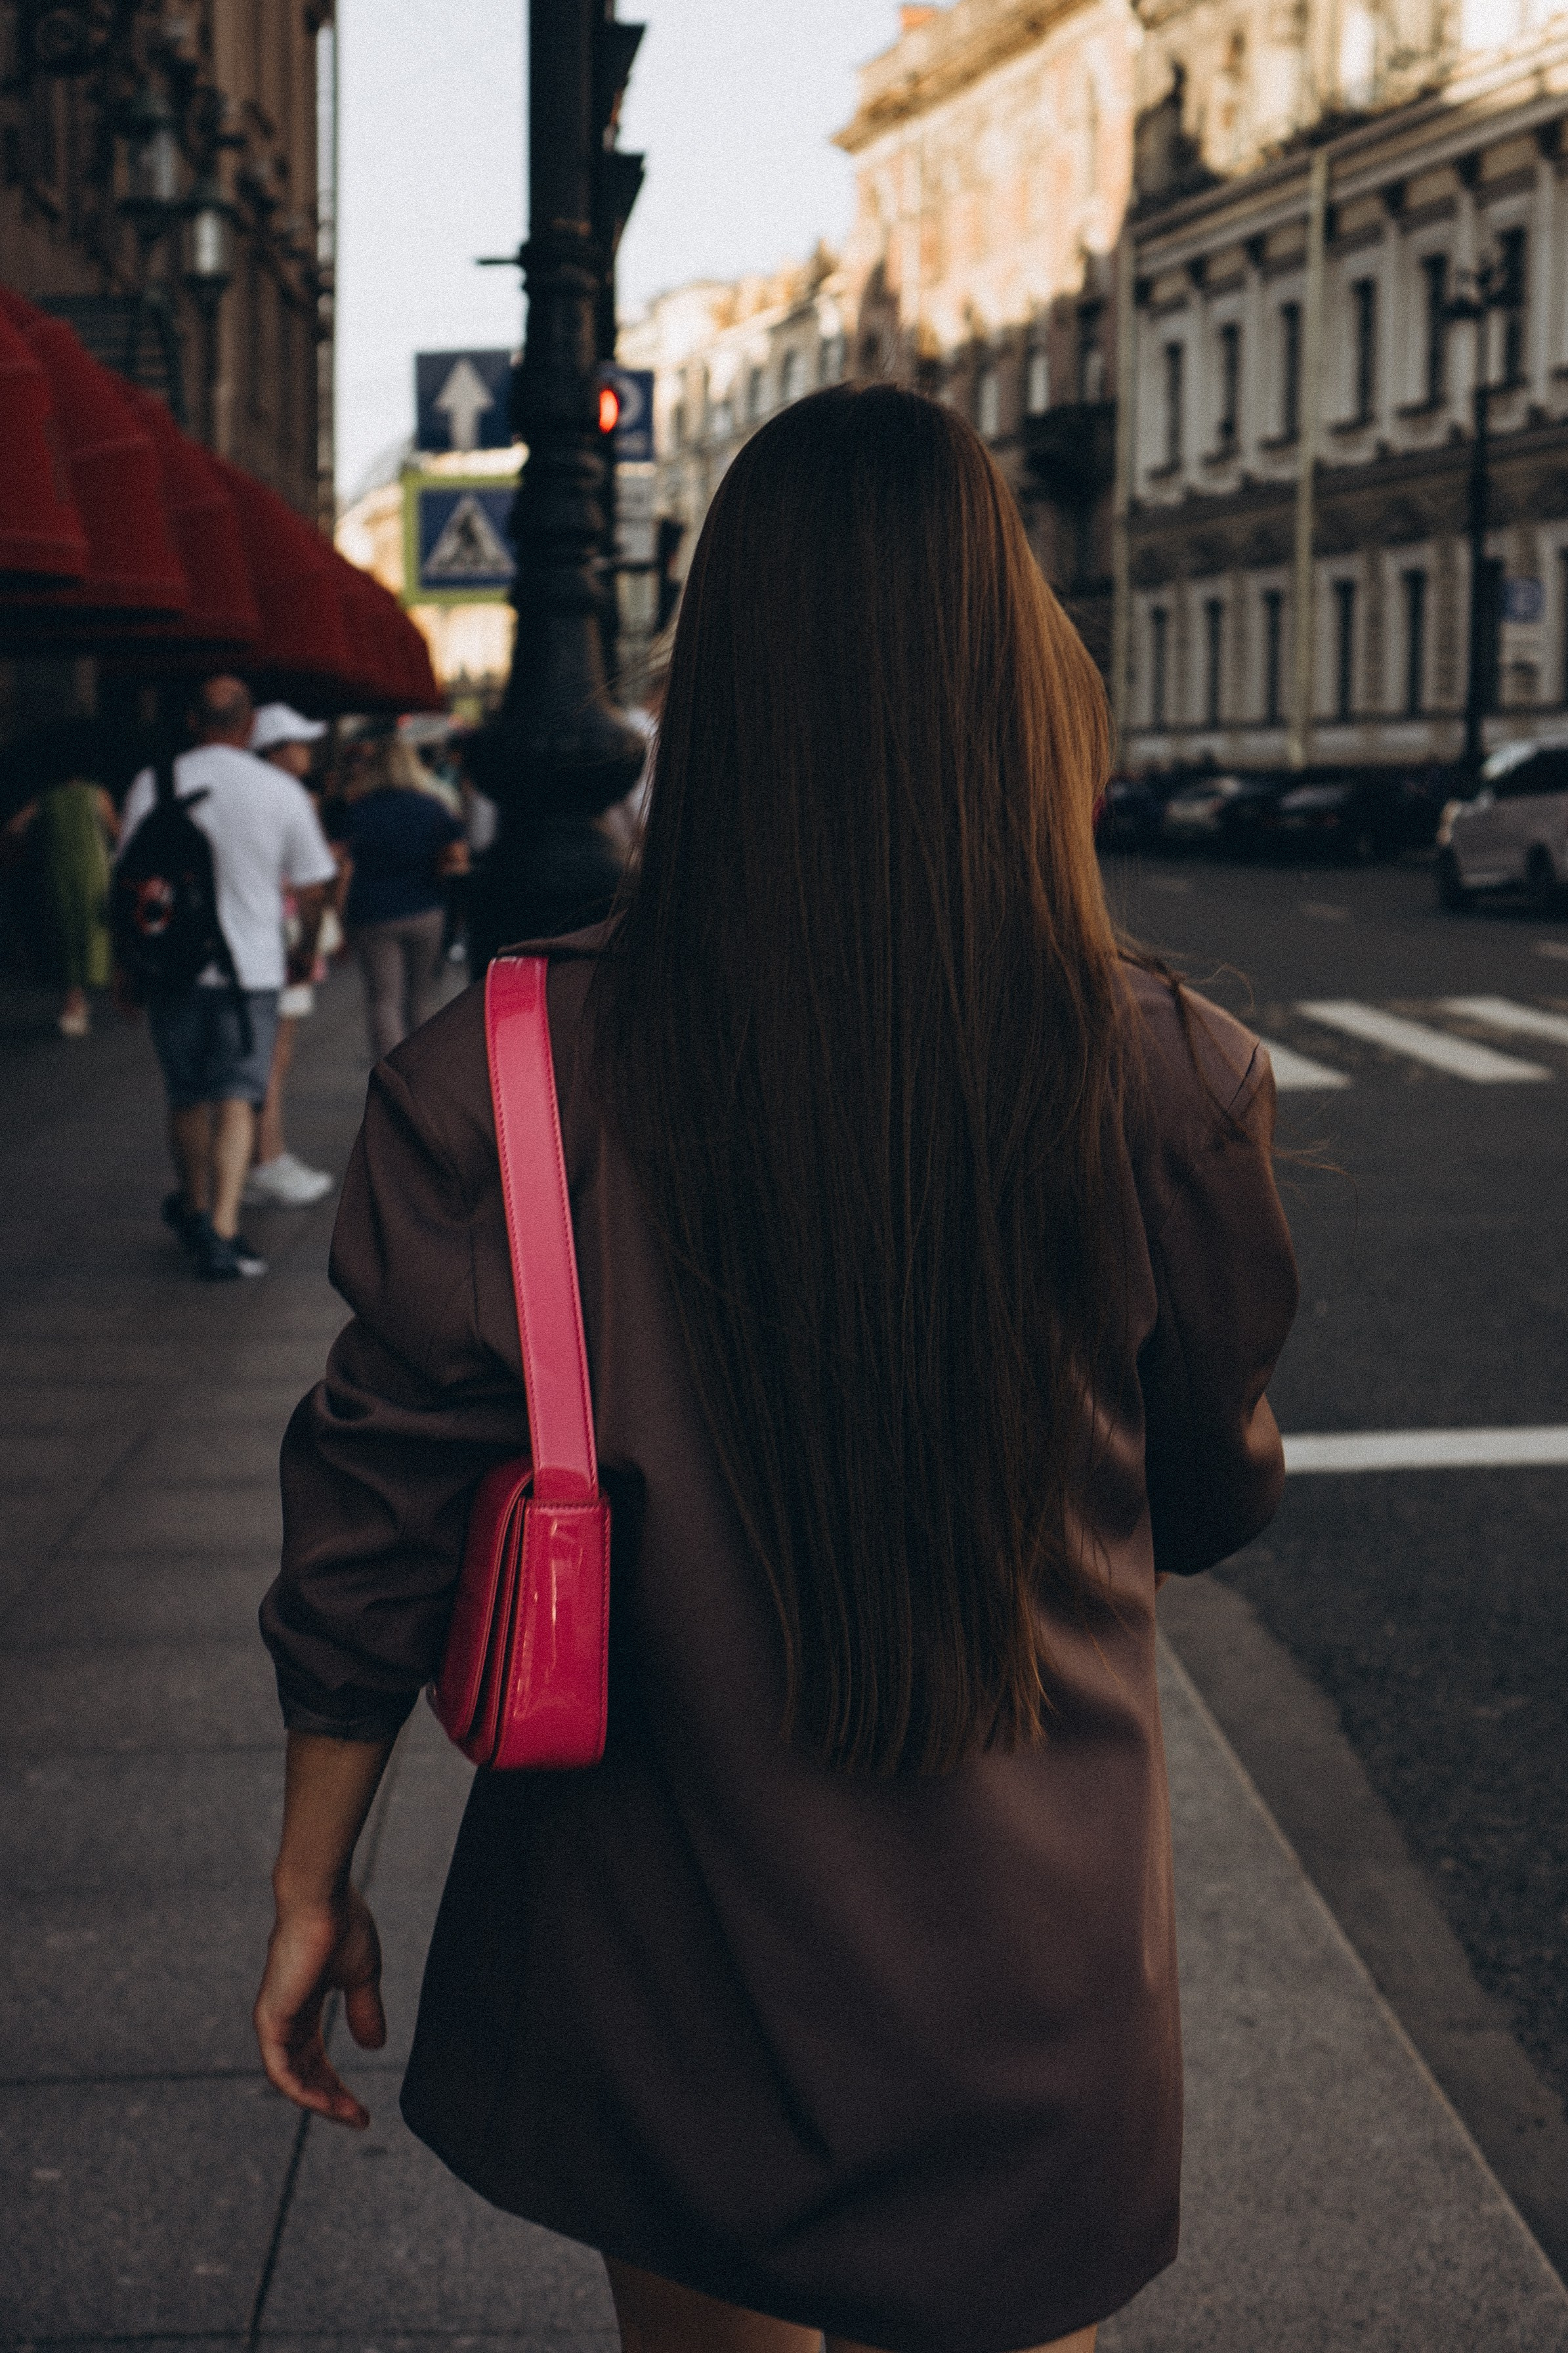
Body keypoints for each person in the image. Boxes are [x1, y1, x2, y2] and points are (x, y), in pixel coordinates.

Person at [254, 387, 1298, 2352]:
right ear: (1018, 684)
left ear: (703, 696)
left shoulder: (508, 1070)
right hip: (1032, 1949)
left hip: (669, 1943)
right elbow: (1209, 1491)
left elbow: (374, 1511)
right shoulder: (1165, 1067)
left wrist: (314, 1873)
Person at [117, 676, 338, 1283]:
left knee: (186, 1095)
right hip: (254, 969)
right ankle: (222, 1227)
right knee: (239, 1097)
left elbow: (126, 882)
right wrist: (305, 950)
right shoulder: (280, 791)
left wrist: (125, 968)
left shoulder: (153, 783)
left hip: (173, 968)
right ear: (249, 726)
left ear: (192, 721)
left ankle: (193, 1207)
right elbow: (313, 887)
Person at [242, 702, 336, 1211]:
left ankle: (265, 1155)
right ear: (275, 751)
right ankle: (266, 1159)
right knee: (273, 1056)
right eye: (298, 743)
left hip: (266, 932)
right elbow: (309, 881)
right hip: (283, 933)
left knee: (270, 1054)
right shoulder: (286, 797)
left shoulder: (252, 796)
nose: (307, 752)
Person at [327, 732, 467, 1058]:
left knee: (384, 998)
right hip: (426, 908)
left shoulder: (359, 811)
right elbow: (457, 858)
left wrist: (337, 916)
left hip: (373, 913)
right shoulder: (432, 807)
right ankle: (420, 1071)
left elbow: (340, 865)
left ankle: (391, 1070)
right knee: (421, 996)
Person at [3, 720, 119, 1037]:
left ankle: (74, 1001)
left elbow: (14, 828)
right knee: (95, 932)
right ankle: (88, 999)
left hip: (57, 874)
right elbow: (117, 832)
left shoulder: (45, 798)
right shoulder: (96, 794)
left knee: (66, 935)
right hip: (94, 874)